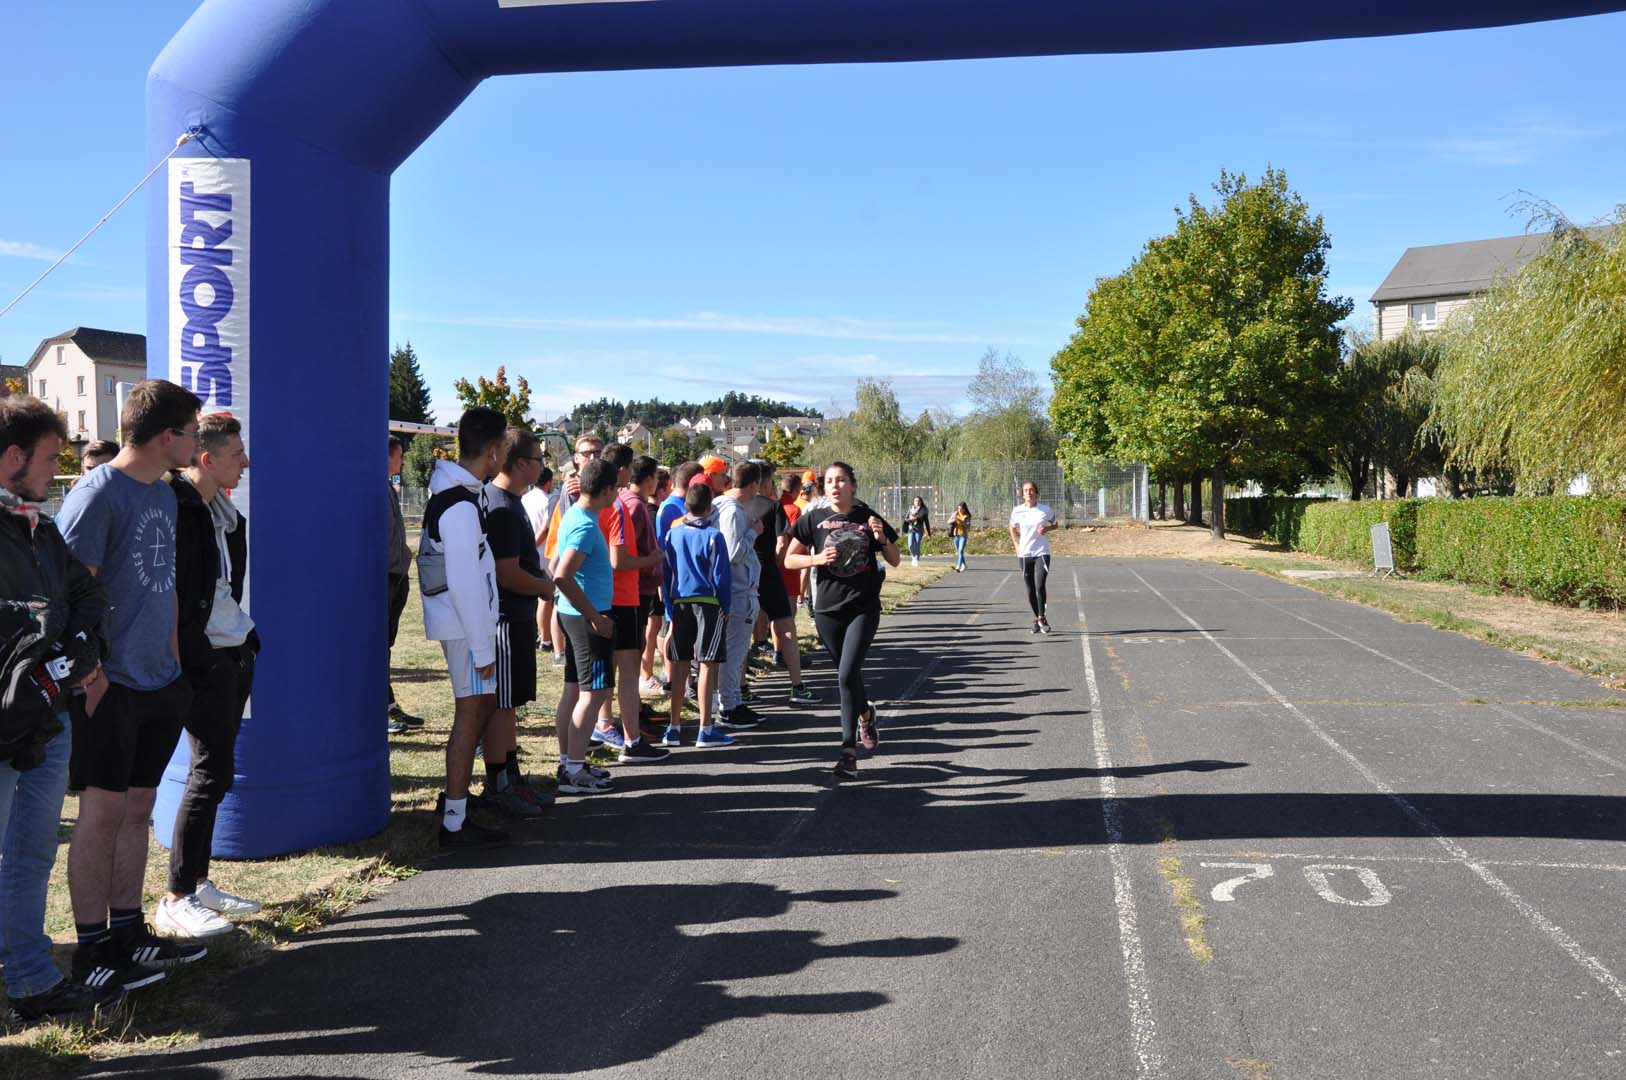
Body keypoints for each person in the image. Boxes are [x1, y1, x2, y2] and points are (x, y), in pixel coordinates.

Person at [57, 379, 209, 988]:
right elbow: (68, 596)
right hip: (108, 684)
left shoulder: (164, 495)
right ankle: (92, 948)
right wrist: (91, 673)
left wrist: (172, 659)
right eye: (193, 433)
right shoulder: (97, 495)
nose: (197, 443)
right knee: (101, 814)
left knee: (138, 809)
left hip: (159, 681)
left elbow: (162, 584)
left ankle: (127, 931)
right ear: (167, 435)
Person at [0, 396, 122, 1021]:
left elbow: (87, 594)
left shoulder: (40, 527)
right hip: (7, 721)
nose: (59, 471)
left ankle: (28, 979)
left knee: (30, 856)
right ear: (14, 457)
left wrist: (74, 649)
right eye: (51, 459)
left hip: (47, 721)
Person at [158, 412, 263, 939]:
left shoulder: (225, 515)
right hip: (204, 662)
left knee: (217, 772)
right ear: (207, 458)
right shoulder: (177, 510)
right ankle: (176, 895)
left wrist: (242, 644)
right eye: (237, 453)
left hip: (230, 654)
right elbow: (178, 599)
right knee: (206, 775)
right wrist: (200, 658)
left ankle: (197, 883)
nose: (246, 462)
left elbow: (224, 591)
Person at [420, 406, 509, 848]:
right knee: (470, 714)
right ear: (492, 451)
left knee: (478, 708)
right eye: (505, 448)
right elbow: (464, 585)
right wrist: (483, 649)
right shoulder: (459, 505)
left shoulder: (459, 494)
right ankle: (454, 819)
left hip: (465, 625)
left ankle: (457, 803)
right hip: (464, 627)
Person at [785, 461, 899, 780]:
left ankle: (848, 753)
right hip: (827, 610)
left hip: (862, 607)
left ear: (853, 485)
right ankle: (866, 712)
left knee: (847, 674)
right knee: (848, 677)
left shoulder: (867, 517)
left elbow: (895, 559)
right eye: (830, 481)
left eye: (841, 480)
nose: (834, 486)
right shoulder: (813, 519)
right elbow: (789, 559)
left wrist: (882, 538)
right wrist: (817, 558)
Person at [481, 428, 558, 817]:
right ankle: (499, 784)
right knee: (501, 704)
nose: (544, 466)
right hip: (506, 619)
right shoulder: (503, 508)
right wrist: (544, 586)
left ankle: (511, 777)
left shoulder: (512, 503)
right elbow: (506, 573)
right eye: (540, 459)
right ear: (523, 463)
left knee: (510, 705)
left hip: (517, 616)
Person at [591, 445, 668, 764]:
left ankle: (605, 730)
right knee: (623, 670)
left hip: (609, 596)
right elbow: (617, 559)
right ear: (622, 472)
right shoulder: (621, 505)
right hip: (621, 597)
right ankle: (627, 737)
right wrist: (652, 558)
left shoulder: (596, 504)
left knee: (603, 673)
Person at [552, 458, 620, 794]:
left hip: (575, 615)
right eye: (615, 488)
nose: (617, 494)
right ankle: (573, 771)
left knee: (575, 691)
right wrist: (595, 616)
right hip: (586, 619)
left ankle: (570, 763)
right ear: (606, 489)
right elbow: (561, 574)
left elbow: (554, 564)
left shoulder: (575, 517)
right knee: (592, 694)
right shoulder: (584, 525)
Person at [657, 482, 734, 749]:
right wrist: (726, 608)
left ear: (686, 506)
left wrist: (669, 605)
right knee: (706, 665)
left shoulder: (671, 535)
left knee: (679, 667)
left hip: (679, 604)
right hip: (709, 604)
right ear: (710, 506)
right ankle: (705, 728)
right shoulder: (715, 536)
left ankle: (674, 727)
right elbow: (722, 578)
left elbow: (665, 575)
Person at [753, 476, 818, 704]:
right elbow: (786, 542)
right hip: (776, 571)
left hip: (746, 574)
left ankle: (738, 690)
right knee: (786, 619)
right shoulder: (779, 507)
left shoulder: (733, 505)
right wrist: (777, 563)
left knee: (751, 622)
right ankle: (796, 683)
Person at [713, 462, 765, 731]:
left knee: (732, 651)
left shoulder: (720, 505)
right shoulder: (731, 510)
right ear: (753, 484)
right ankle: (729, 705)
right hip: (737, 591)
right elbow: (732, 553)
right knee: (734, 652)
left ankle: (730, 701)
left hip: (734, 591)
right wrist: (752, 533)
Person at [386, 435, 420, 735]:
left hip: (396, 576)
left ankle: (388, 704)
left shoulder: (388, 488)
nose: (402, 461)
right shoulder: (374, 488)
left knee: (386, 647)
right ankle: (380, 709)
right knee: (378, 648)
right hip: (384, 578)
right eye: (400, 456)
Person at [520, 464, 558, 658]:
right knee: (546, 597)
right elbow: (545, 530)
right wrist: (533, 546)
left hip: (525, 552)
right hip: (542, 553)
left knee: (531, 596)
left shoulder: (523, 499)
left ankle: (538, 634)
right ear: (549, 482)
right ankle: (546, 638)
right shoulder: (548, 501)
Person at [1009, 480, 1057, 634]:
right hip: (1024, 553)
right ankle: (1037, 618)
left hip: (1041, 552)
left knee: (1040, 585)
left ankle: (1041, 617)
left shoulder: (1045, 510)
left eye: (1031, 490)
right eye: (1025, 490)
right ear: (1022, 494)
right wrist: (1016, 544)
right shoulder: (1017, 511)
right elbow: (1011, 526)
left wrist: (1047, 528)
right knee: (1030, 590)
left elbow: (1055, 524)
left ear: (1036, 492)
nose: (1028, 493)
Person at [904, 496, 932, 567]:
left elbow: (926, 521)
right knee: (910, 545)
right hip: (911, 529)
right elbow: (906, 518)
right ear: (913, 502)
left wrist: (929, 532)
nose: (917, 502)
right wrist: (909, 520)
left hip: (919, 530)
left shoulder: (923, 510)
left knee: (917, 544)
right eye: (915, 501)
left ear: (921, 502)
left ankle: (916, 560)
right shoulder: (910, 509)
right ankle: (913, 557)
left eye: (918, 501)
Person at [949, 502, 972, 572]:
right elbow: (948, 521)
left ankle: (958, 566)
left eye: (961, 509)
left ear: (964, 509)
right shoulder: (955, 514)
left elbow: (968, 526)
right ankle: (964, 565)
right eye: (958, 508)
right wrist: (953, 519)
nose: (959, 510)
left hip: (963, 535)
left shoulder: (967, 516)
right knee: (959, 552)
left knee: (960, 550)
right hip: (956, 535)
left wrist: (960, 521)